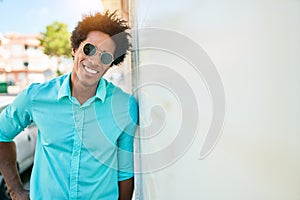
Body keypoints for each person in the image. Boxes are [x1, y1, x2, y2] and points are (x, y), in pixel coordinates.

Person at [0, 11, 138, 200]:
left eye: (105, 57)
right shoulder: (35, 97)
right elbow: (2, 134)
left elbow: (124, 172)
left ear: (111, 64)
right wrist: (15, 189)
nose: (94, 60)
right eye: (89, 49)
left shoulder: (125, 106)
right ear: (75, 49)